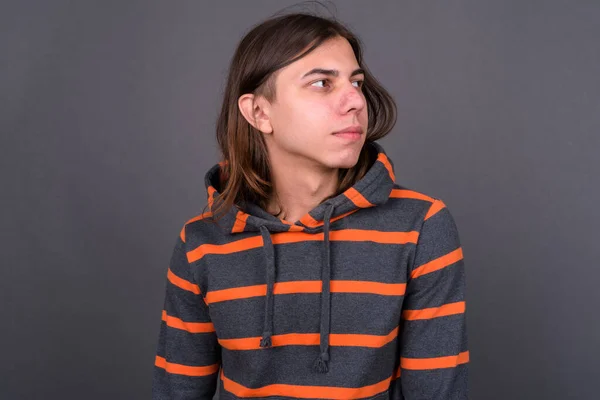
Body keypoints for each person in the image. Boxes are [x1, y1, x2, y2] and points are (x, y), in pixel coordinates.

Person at [152, 10, 469, 400]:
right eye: (322, 83)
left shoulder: (421, 227)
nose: (355, 101)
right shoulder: (201, 243)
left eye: (356, 82)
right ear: (259, 112)